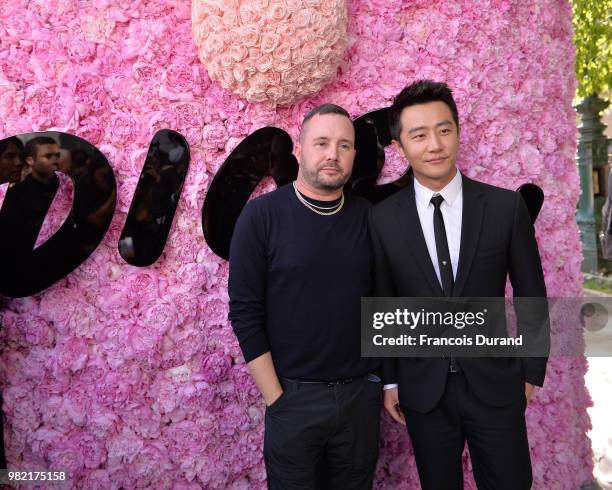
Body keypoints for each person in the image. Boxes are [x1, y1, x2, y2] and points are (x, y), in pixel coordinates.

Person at [369, 80, 549, 490]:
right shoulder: (383, 219)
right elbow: (384, 303)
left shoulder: (505, 208)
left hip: (496, 385)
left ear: (458, 132)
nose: (434, 144)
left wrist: (531, 372)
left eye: (444, 129)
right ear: (400, 147)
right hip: (423, 390)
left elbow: (531, 294)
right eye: (419, 135)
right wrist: (392, 380)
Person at [229, 104, 381, 489]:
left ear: (353, 157)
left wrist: (382, 381)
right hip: (293, 398)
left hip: (359, 399)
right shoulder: (261, 217)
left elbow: (384, 300)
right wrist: (277, 399)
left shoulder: (369, 218)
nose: (332, 154)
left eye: (344, 146)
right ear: (299, 151)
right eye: (322, 143)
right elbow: (245, 312)